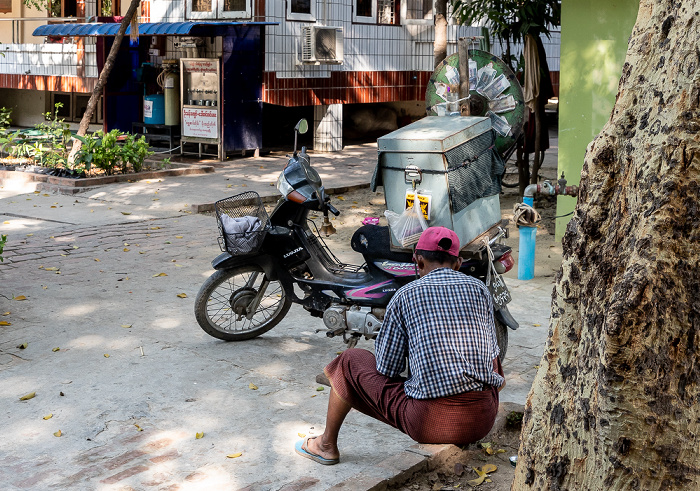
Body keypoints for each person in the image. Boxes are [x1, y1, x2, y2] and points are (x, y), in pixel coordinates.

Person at [295, 226, 505, 465]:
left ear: (418, 261)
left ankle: (325, 445)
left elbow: (387, 368)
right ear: (457, 263)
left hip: (430, 423)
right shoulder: (479, 290)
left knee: (348, 362)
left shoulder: (405, 295)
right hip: (482, 420)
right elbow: (492, 358)